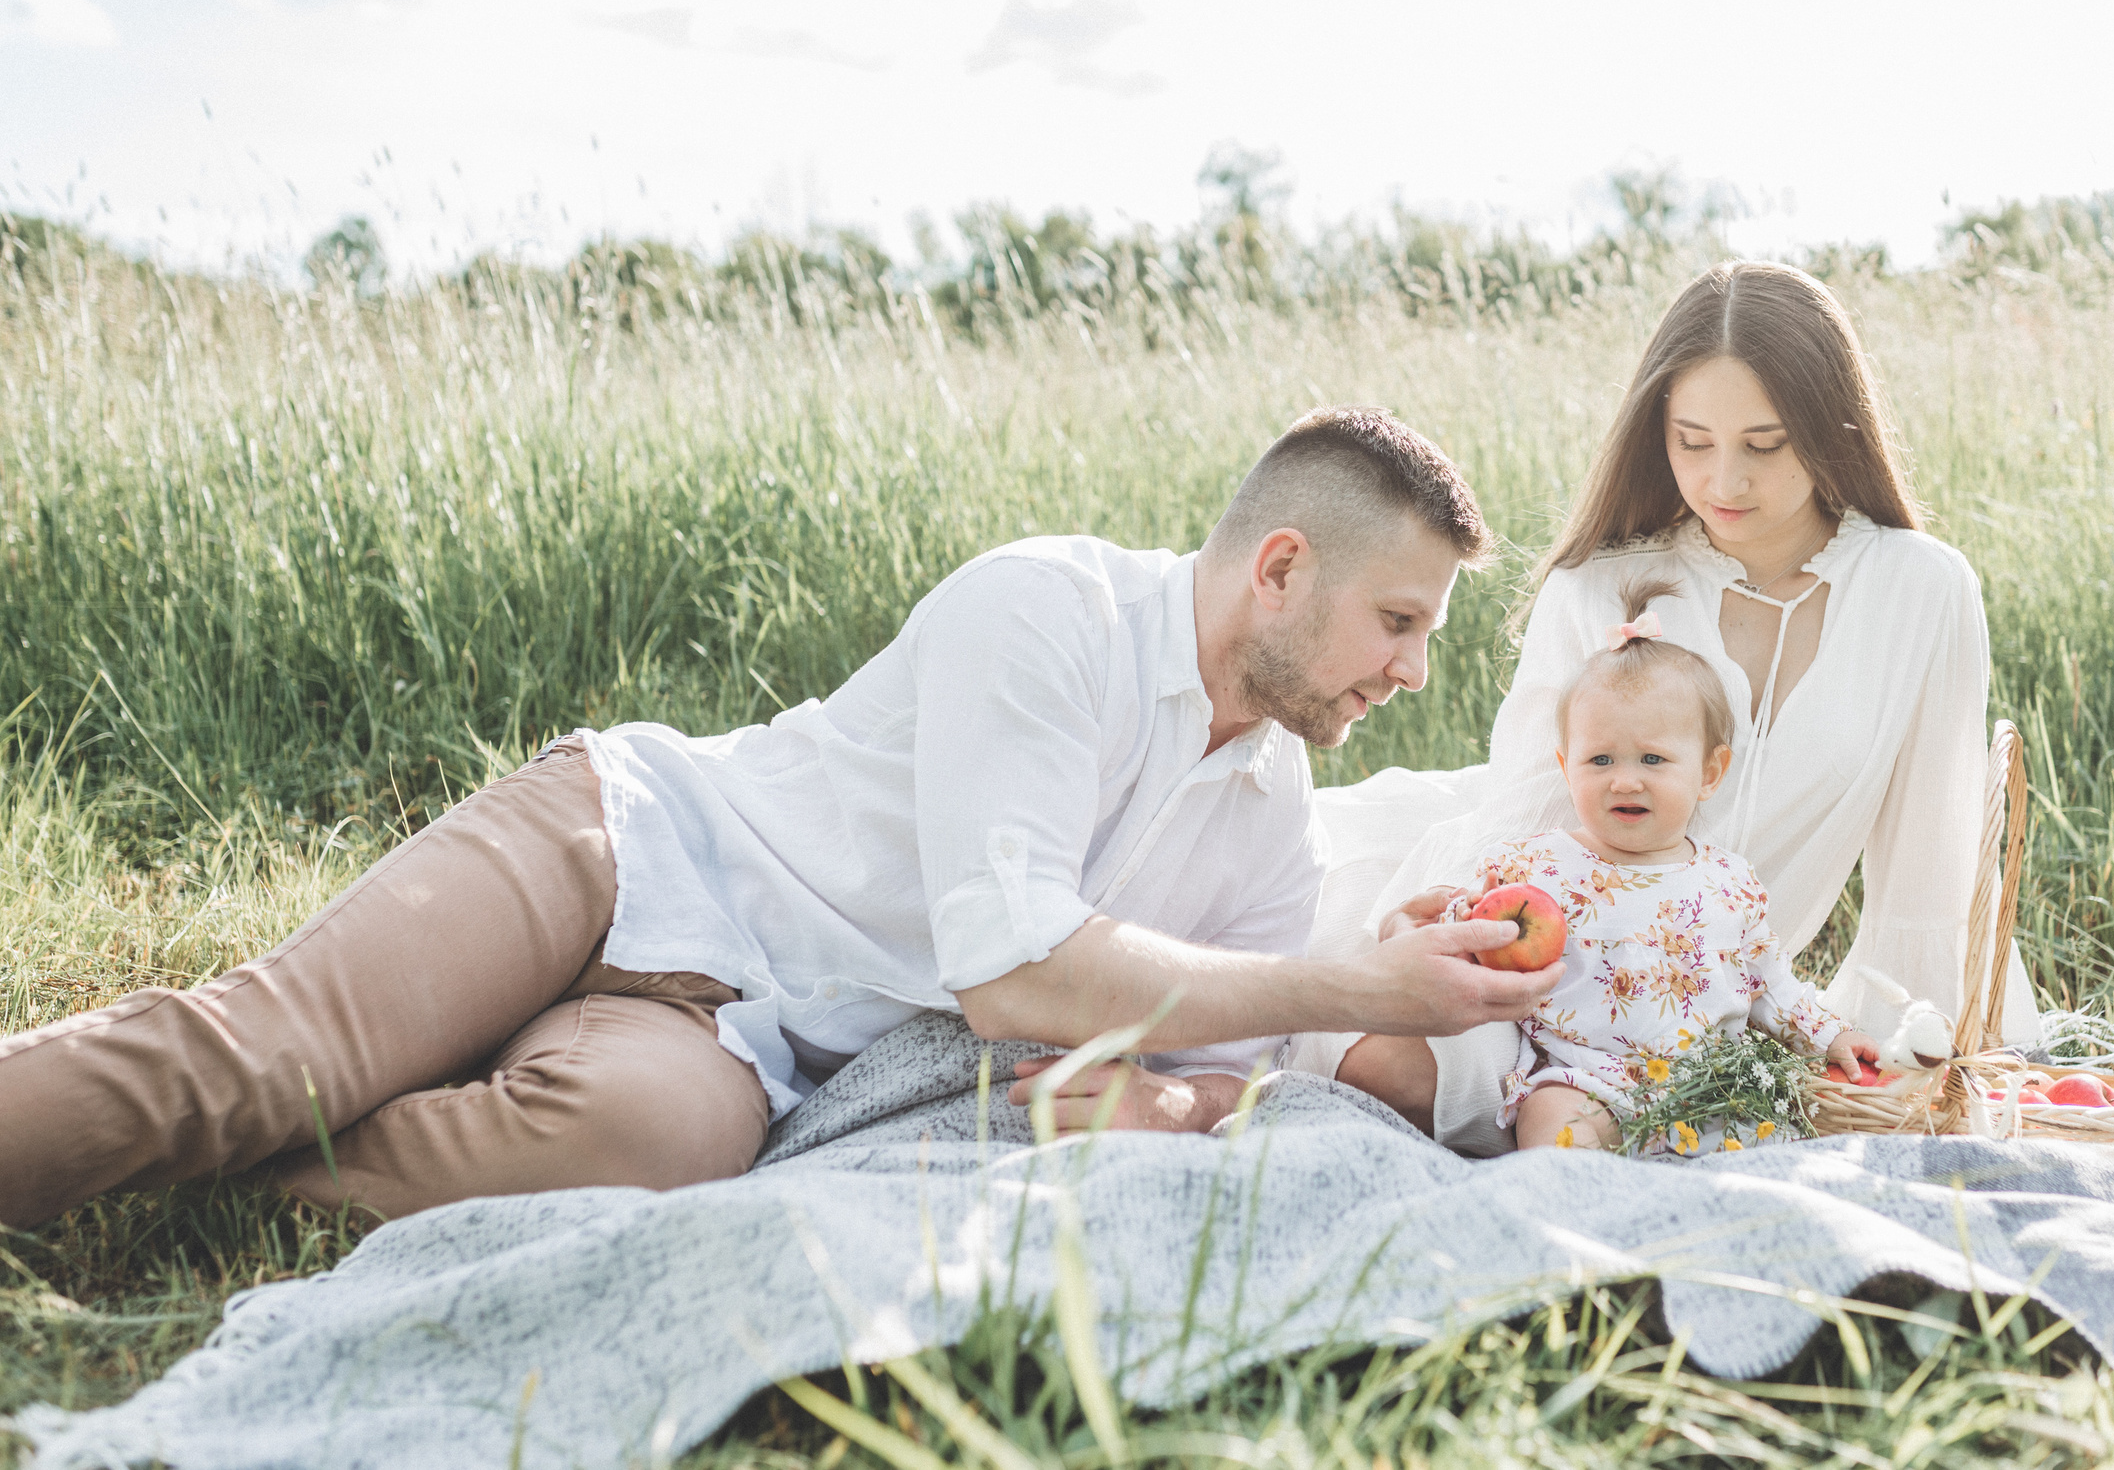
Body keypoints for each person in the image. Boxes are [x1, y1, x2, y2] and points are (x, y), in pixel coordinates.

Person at [0, 407, 1560, 1229]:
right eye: (1399, 621)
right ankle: (247, 1090)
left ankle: (227, 1171)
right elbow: (1019, 979)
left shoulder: (1268, 798)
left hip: (737, 1040)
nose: (1414, 673)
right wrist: (1355, 980)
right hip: (627, 853)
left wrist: (1216, 1080)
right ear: (1280, 568)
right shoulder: (1052, 612)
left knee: (657, 1144)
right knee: (269, 1054)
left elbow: (1209, 1047)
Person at [1301, 263, 2042, 1154]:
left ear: (1831, 432)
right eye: (1691, 440)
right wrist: (1461, 933)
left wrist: (1937, 1055)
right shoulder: (1598, 586)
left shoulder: (1923, 589)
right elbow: (1526, 820)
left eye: (1763, 444)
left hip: (1699, 1006)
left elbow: (1934, 867)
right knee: (1380, 1068)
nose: (1723, 479)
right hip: (1547, 953)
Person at [1451, 579, 1880, 1152]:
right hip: (1590, 1080)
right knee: (1554, 1122)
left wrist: (1833, 1035)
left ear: (1709, 772)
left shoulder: (1728, 884)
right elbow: (1477, 933)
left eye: (1653, 759)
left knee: (1769, 1138)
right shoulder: (1537, 866)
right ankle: (1567, 1202)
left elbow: (1770, 986)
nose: (1624, 778)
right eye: (1599, 759)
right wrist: (1457, 917)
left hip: (1710, 1090)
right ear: (1565, 765)